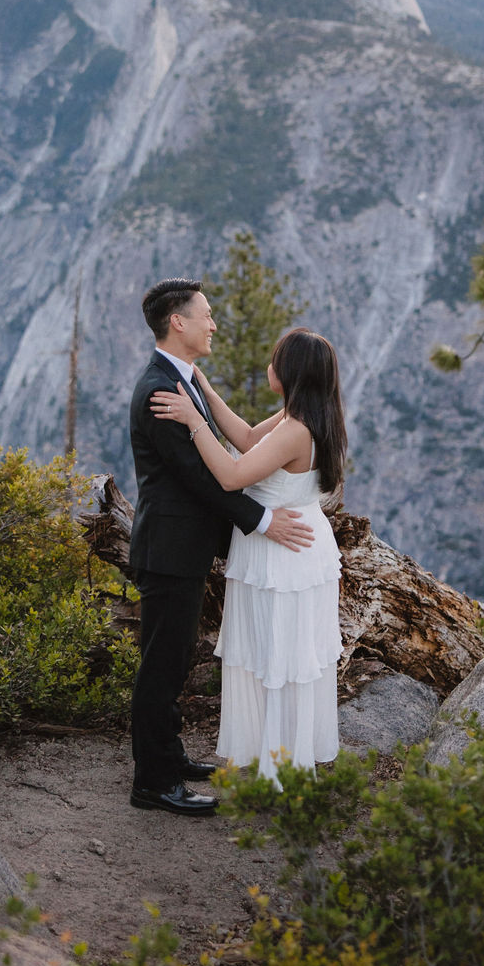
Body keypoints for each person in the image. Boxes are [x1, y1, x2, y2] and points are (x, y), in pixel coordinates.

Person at [128, 278, 315, 817]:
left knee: (171, 662)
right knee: (161, 668)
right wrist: (262, 522)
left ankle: (170, 757)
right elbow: (199, 479)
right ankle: (154, 784)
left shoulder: (180, 381)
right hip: (169, 550)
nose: (213, 324)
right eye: (205, 314)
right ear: (177, 322)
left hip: (180, 548)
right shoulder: (162, 390)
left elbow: (225, 454)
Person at [151, 327, 345, 784]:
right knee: (283, 655)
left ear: (291, 371)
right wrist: (205, 392)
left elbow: (233, 475)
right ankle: (282, 760)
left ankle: (282, 770)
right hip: (296, 546)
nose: (268, 366)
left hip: (281, 556)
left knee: (278, 655)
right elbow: (243, 437)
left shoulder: (295, 430)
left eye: (275, 359)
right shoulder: (302, 418)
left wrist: (192, 421)